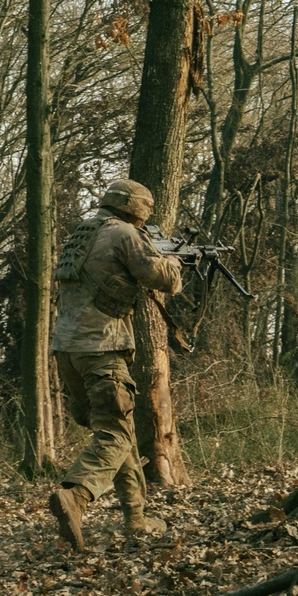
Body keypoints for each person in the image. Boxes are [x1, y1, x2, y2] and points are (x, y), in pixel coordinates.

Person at [48, 179, 183, 550]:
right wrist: (172, 262)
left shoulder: (82, 234)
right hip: (102, 349)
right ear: (137, 209)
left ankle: (136, 520)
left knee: (113, 430)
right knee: (117, 434)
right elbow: (165, 280)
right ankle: (75, 495)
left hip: (67, 351)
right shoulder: (125, 234)